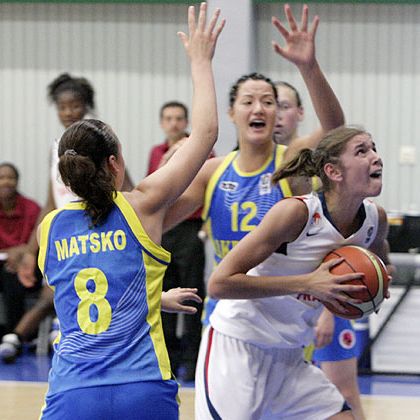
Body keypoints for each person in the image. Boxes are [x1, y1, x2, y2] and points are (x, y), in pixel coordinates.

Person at [37, 4, 224, 419]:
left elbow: (91, 296)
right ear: (116, 164)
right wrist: (200, 60)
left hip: (73, 391)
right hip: (143, 386)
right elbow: (207, 133)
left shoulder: (49, 229)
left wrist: (151, 299)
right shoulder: (145, 204)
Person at [164, 4, 344, 330]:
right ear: (232, 113)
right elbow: (157, 220)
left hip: (283, 312)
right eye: (248, 101)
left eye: (268, 101)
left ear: (277, 114)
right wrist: (166, 171)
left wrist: (309, 66)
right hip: (229, 311)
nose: (258, 108)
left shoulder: (290, 161)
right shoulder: (212, 171)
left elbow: (333, 129)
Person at [199, 125, 391, 419]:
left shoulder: (374, 220)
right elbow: (220, 284)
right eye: (362, 151)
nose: (375, 157)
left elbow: (382, 266)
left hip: (290, 354)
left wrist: (376, 288)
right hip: (238, 345)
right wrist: (308, 283)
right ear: (334, 172)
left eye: (374, 148)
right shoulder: (295, 214)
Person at [0, 73, 135, 363]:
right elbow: (51, 202)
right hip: (66, 228)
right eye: (63, 107)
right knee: (57, 289)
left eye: (74, 106)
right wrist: (29, 250)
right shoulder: (56, 147)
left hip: (99, 225)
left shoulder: (100, 138)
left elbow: (129, 186)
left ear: (85, 106)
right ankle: (35, 336)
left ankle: (19, 335)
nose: (68, 112)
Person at [274, 78, 366, 419]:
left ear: (300, 114)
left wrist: (329, 309)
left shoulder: (302, 169)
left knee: (342, 394)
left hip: (317, 299)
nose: (276, 113)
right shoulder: (230, 168)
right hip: (267, 309)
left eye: (284, 106)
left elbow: (338, 248)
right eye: (272, 103)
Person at [147, 101, 210, 381]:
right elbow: (153, 188)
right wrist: (168, 158)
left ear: (186, 122)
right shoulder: (157, 152)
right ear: (162, 122)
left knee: (193, 296)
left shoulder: (201, 152)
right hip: (165, 229)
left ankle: (194, 360)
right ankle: (168, 362)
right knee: (164, 296)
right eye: (168, 118)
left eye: (178, 118)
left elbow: (210, 189)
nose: (173, 123)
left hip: (192, 229)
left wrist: (206, 228)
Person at [0, 163, 41, 337]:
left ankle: (14, 334)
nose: (6, 182)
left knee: (11, 275)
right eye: (1, 178)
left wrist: (21, 253)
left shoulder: (32, 208)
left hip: (27, 266)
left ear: (17, 182)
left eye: (10, 178)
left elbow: (40, 241)